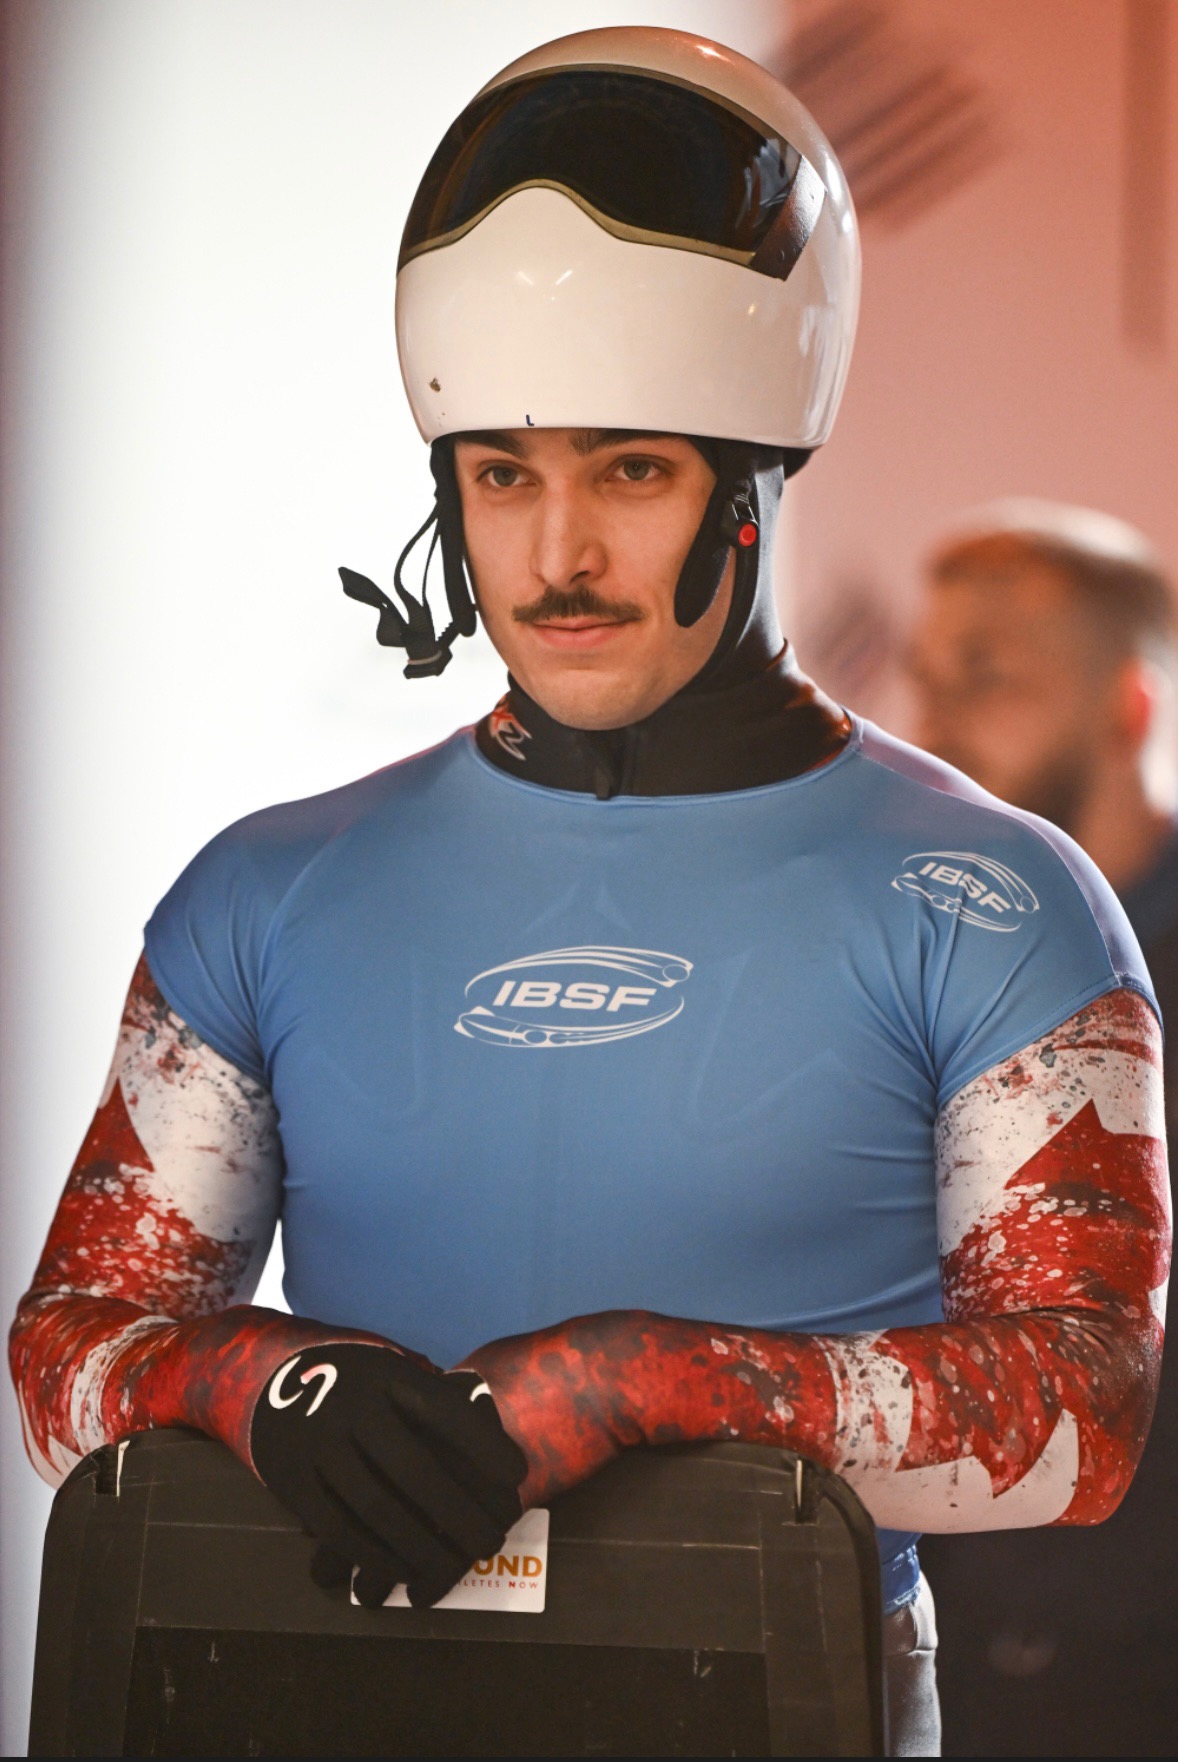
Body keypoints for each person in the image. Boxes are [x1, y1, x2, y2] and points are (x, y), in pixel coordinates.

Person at [8, 31, 1168, 1759]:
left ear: (757, 486)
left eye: (628, 470)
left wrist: (643, 1380)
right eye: (499, 475)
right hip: (317, 1710)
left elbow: (1081, 1414)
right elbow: (66, 1353)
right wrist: (259, 1385)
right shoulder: (264, 891)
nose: (552, 557)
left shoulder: (1001, 902)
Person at [909, 500, 1178, 1756]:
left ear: (1127, 706)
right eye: (922, 682)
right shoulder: (923, 970)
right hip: (950, 1647)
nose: (934, 729)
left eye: (989, 681)